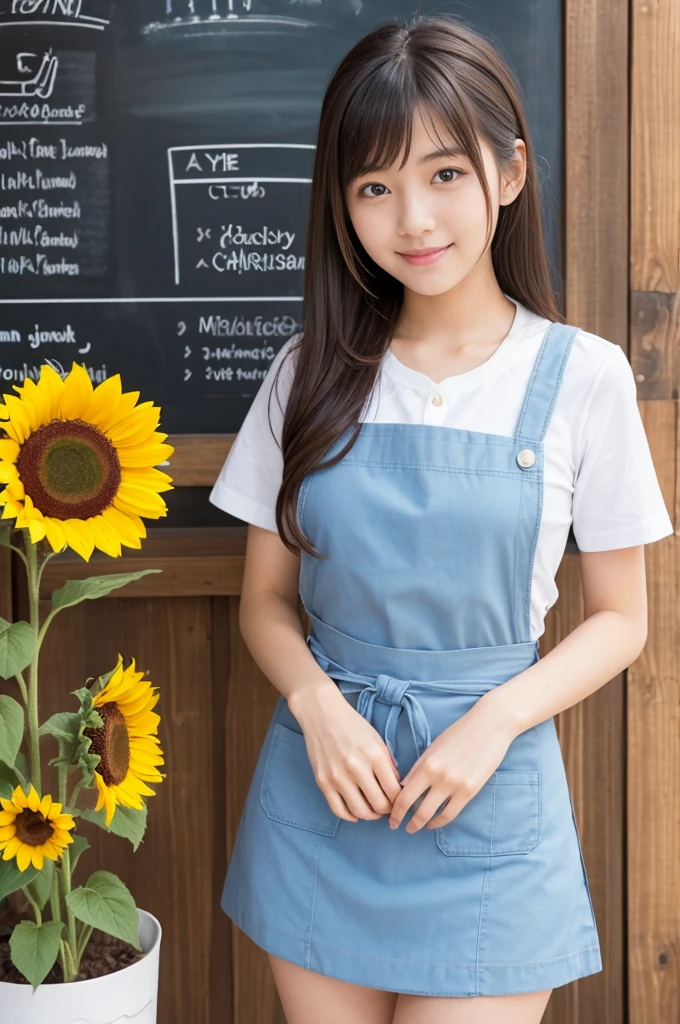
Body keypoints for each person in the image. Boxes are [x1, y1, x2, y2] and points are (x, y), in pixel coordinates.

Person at [208, 15, 674, 1024]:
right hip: (324, 794)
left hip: (487, 798)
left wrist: (496, 717)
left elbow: (620, 620)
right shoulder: (306, 375)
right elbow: (264, 603)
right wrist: (318, 707)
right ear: (341, 205)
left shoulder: (580, 376)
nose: (411, 217)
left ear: (506, 174)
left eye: (442, 175)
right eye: (373, 186)